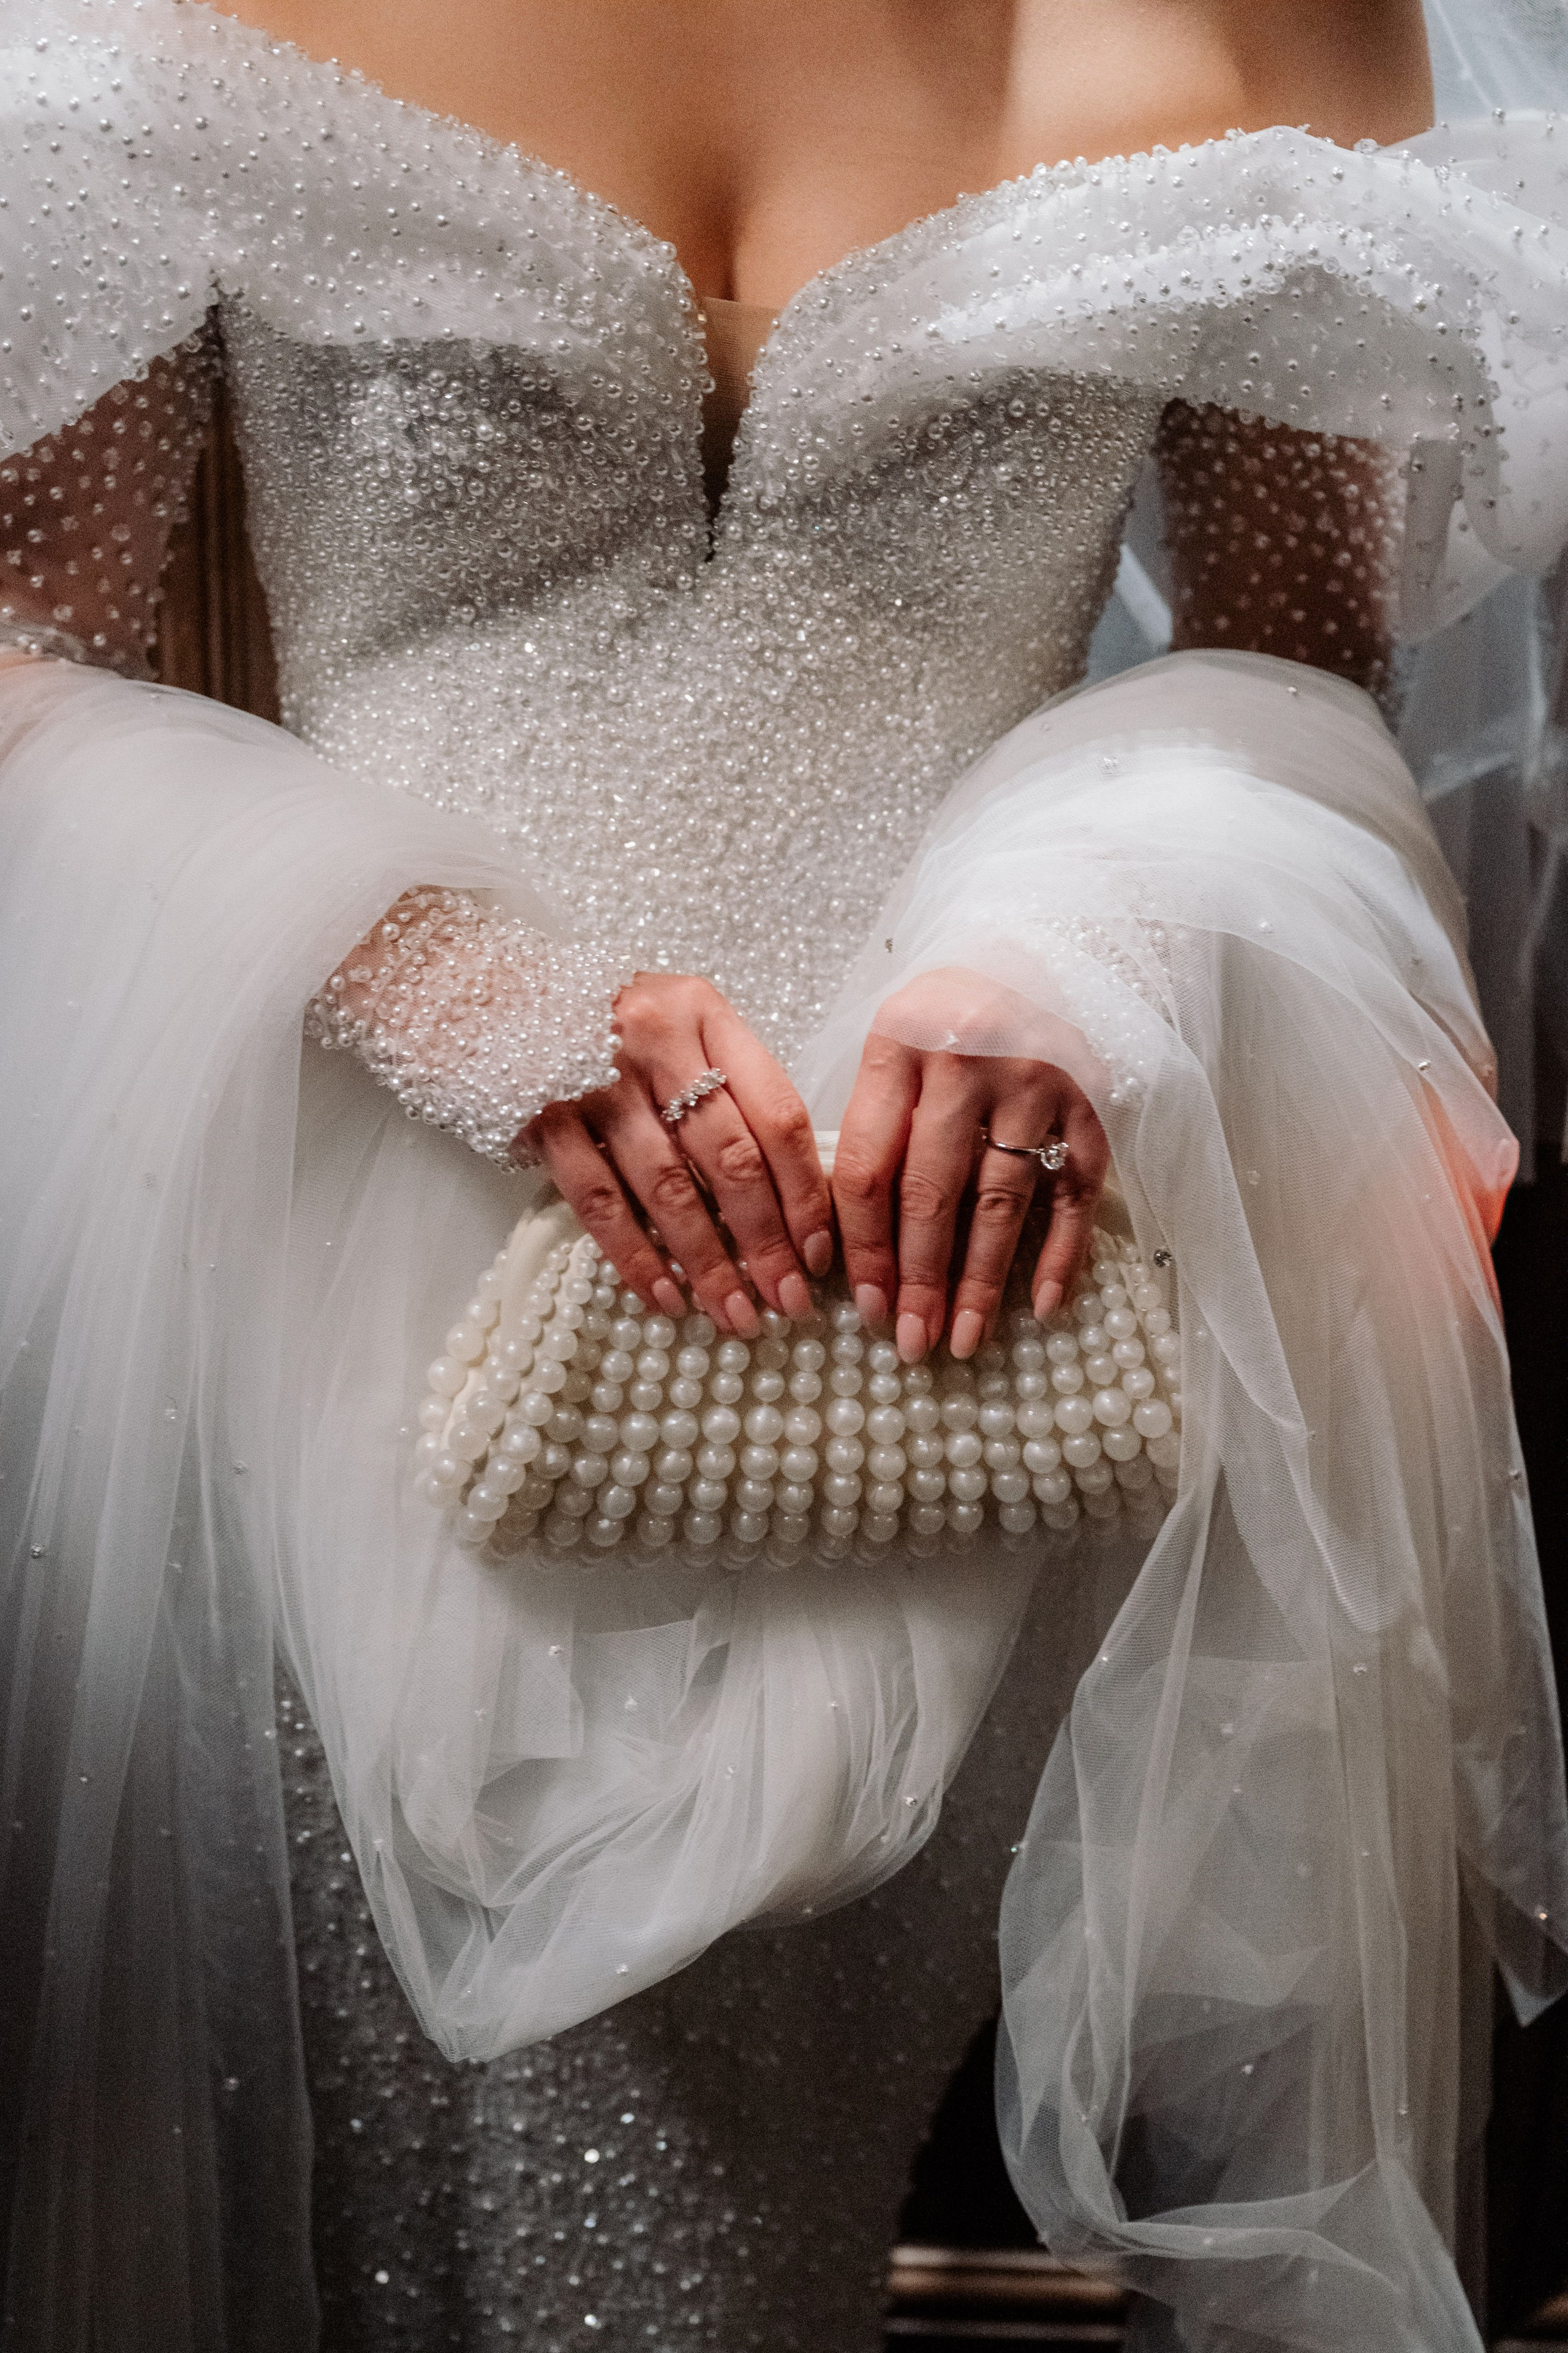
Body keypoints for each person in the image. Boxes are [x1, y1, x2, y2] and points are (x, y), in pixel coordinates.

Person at [2, 1, 1566, 2346]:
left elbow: (1296, 667)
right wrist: (426, 964)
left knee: (725, 2252)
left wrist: (1094, 925)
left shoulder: (1268, 18)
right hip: (308, 1289)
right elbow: (31, 658)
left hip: (935, 1335)